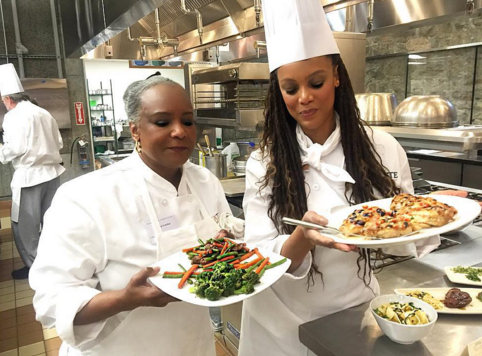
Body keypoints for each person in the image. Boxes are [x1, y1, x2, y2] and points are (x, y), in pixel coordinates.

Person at [238, 1, 441, 355]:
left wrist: (433, 214)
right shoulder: (265, 161)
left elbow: (412, 232)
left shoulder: (383, 147)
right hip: (277, 322)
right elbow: (257, 254)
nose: (304, 98)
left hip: (355, 314)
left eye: (315, 82)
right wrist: (302, 237)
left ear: (335, 75)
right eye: (290, 88)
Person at [30, 76, 242, 356]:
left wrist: (227, 248)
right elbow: (51, 301)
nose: (179, 131)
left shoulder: (205, 181)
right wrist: (124, 299)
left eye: (188, 121)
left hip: (192, 343)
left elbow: (226, 239)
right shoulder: (85, 196)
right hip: (119, 347)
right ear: (135, 130)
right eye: (162, 122)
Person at [0, 63, 65, 279]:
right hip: (52, 175)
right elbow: (59, 143)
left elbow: (15, 148)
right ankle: (54, 261)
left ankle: (34, 267)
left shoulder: (14, 116)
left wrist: (2, 152)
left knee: (24, 226)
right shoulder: (43, 113)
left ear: (8, 99)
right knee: (51, 220)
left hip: (29, 177)